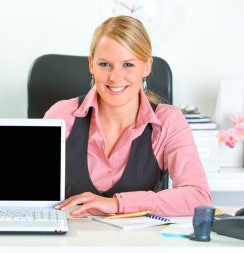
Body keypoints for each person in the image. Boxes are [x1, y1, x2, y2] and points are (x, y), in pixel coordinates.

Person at [44, 15, 212, 217]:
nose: (115, 77)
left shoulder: (167, 122)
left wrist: (117, 204)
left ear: (147, 67)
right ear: (91, 64)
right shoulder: (62, 115)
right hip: (69, 240)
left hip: (139, 243)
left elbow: (198, 197)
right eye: (105, 64)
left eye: (128, 65)